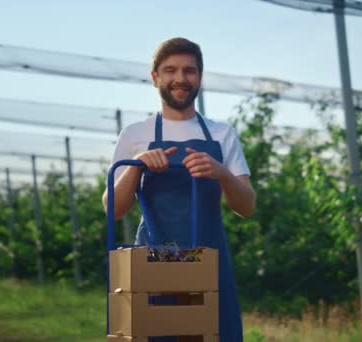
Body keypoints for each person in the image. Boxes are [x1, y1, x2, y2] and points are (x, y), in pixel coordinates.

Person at [102, 37, 255, 342]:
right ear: (155, 77)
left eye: (189, 71)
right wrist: (137, 166)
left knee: (213, 334)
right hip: (154, 262)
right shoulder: (135, 135)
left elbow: (247, 206)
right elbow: (113, 209)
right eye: (170, 70)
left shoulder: (222, 134)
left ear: (199, 77)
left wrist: (221, 172)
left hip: (209, 261)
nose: (180, 79)